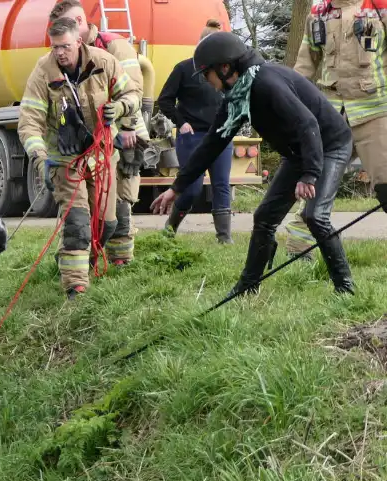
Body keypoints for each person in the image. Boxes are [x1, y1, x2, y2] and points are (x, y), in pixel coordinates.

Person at [152, 31, 356, 297]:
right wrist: (177, 187)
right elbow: (212, 144)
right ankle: (248, 286)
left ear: (225, 67)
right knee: (264, 219)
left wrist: (309, 174)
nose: (205, 81)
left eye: (206, 73)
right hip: (298, 151)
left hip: (329, 145)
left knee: (315, 216)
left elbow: (308, 125)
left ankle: (345, 289)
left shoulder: (266, 83)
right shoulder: (238, 95)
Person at [19, 17, 142, 299]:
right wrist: (40, 159)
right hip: (64, 162)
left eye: (64, 46)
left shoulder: (104, 62)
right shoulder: (42, 72)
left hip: (101, 158)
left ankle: (77, 261)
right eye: (54, 47)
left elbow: (133, 93)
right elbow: (29, 122)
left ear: (78, 41)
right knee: (76, 222)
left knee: (106, 223)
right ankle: (76, 289)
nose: (59, 53)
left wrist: (121, 107)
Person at [50, 0, 148, 265]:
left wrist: (127, 129)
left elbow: (133, 91)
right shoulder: (70, 52)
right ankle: (88, 256)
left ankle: (121, 261)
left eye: (69, 25)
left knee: (121, 198)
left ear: (80, 23)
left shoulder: (115, 46)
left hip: (125, 131)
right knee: (92, 202)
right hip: (95, 136)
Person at [291, 0, 387, 258]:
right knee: (316, 185)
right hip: (331, 114)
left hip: (375, 111)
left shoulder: (380, 6)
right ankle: (300, 251)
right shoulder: (318, 12)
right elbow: (304, 66)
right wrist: (287, 101)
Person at [157, 19, 235, 244]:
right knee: (192, 189)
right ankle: (170, 229)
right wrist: (180, 122)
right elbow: (165, 100)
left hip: (220, 136)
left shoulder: (226, 72)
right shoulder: (184, 69)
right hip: (193, 137)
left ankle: (224, 238)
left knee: (221, 185)